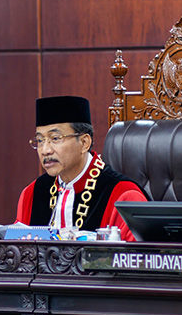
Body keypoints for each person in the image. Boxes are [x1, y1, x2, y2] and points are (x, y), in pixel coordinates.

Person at [15, 95, 148, 241]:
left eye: (55, 138)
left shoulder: (124, 196)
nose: (45, 150)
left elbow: (137, 254)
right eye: (40, 140)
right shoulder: (31, 194)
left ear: (84, 143)